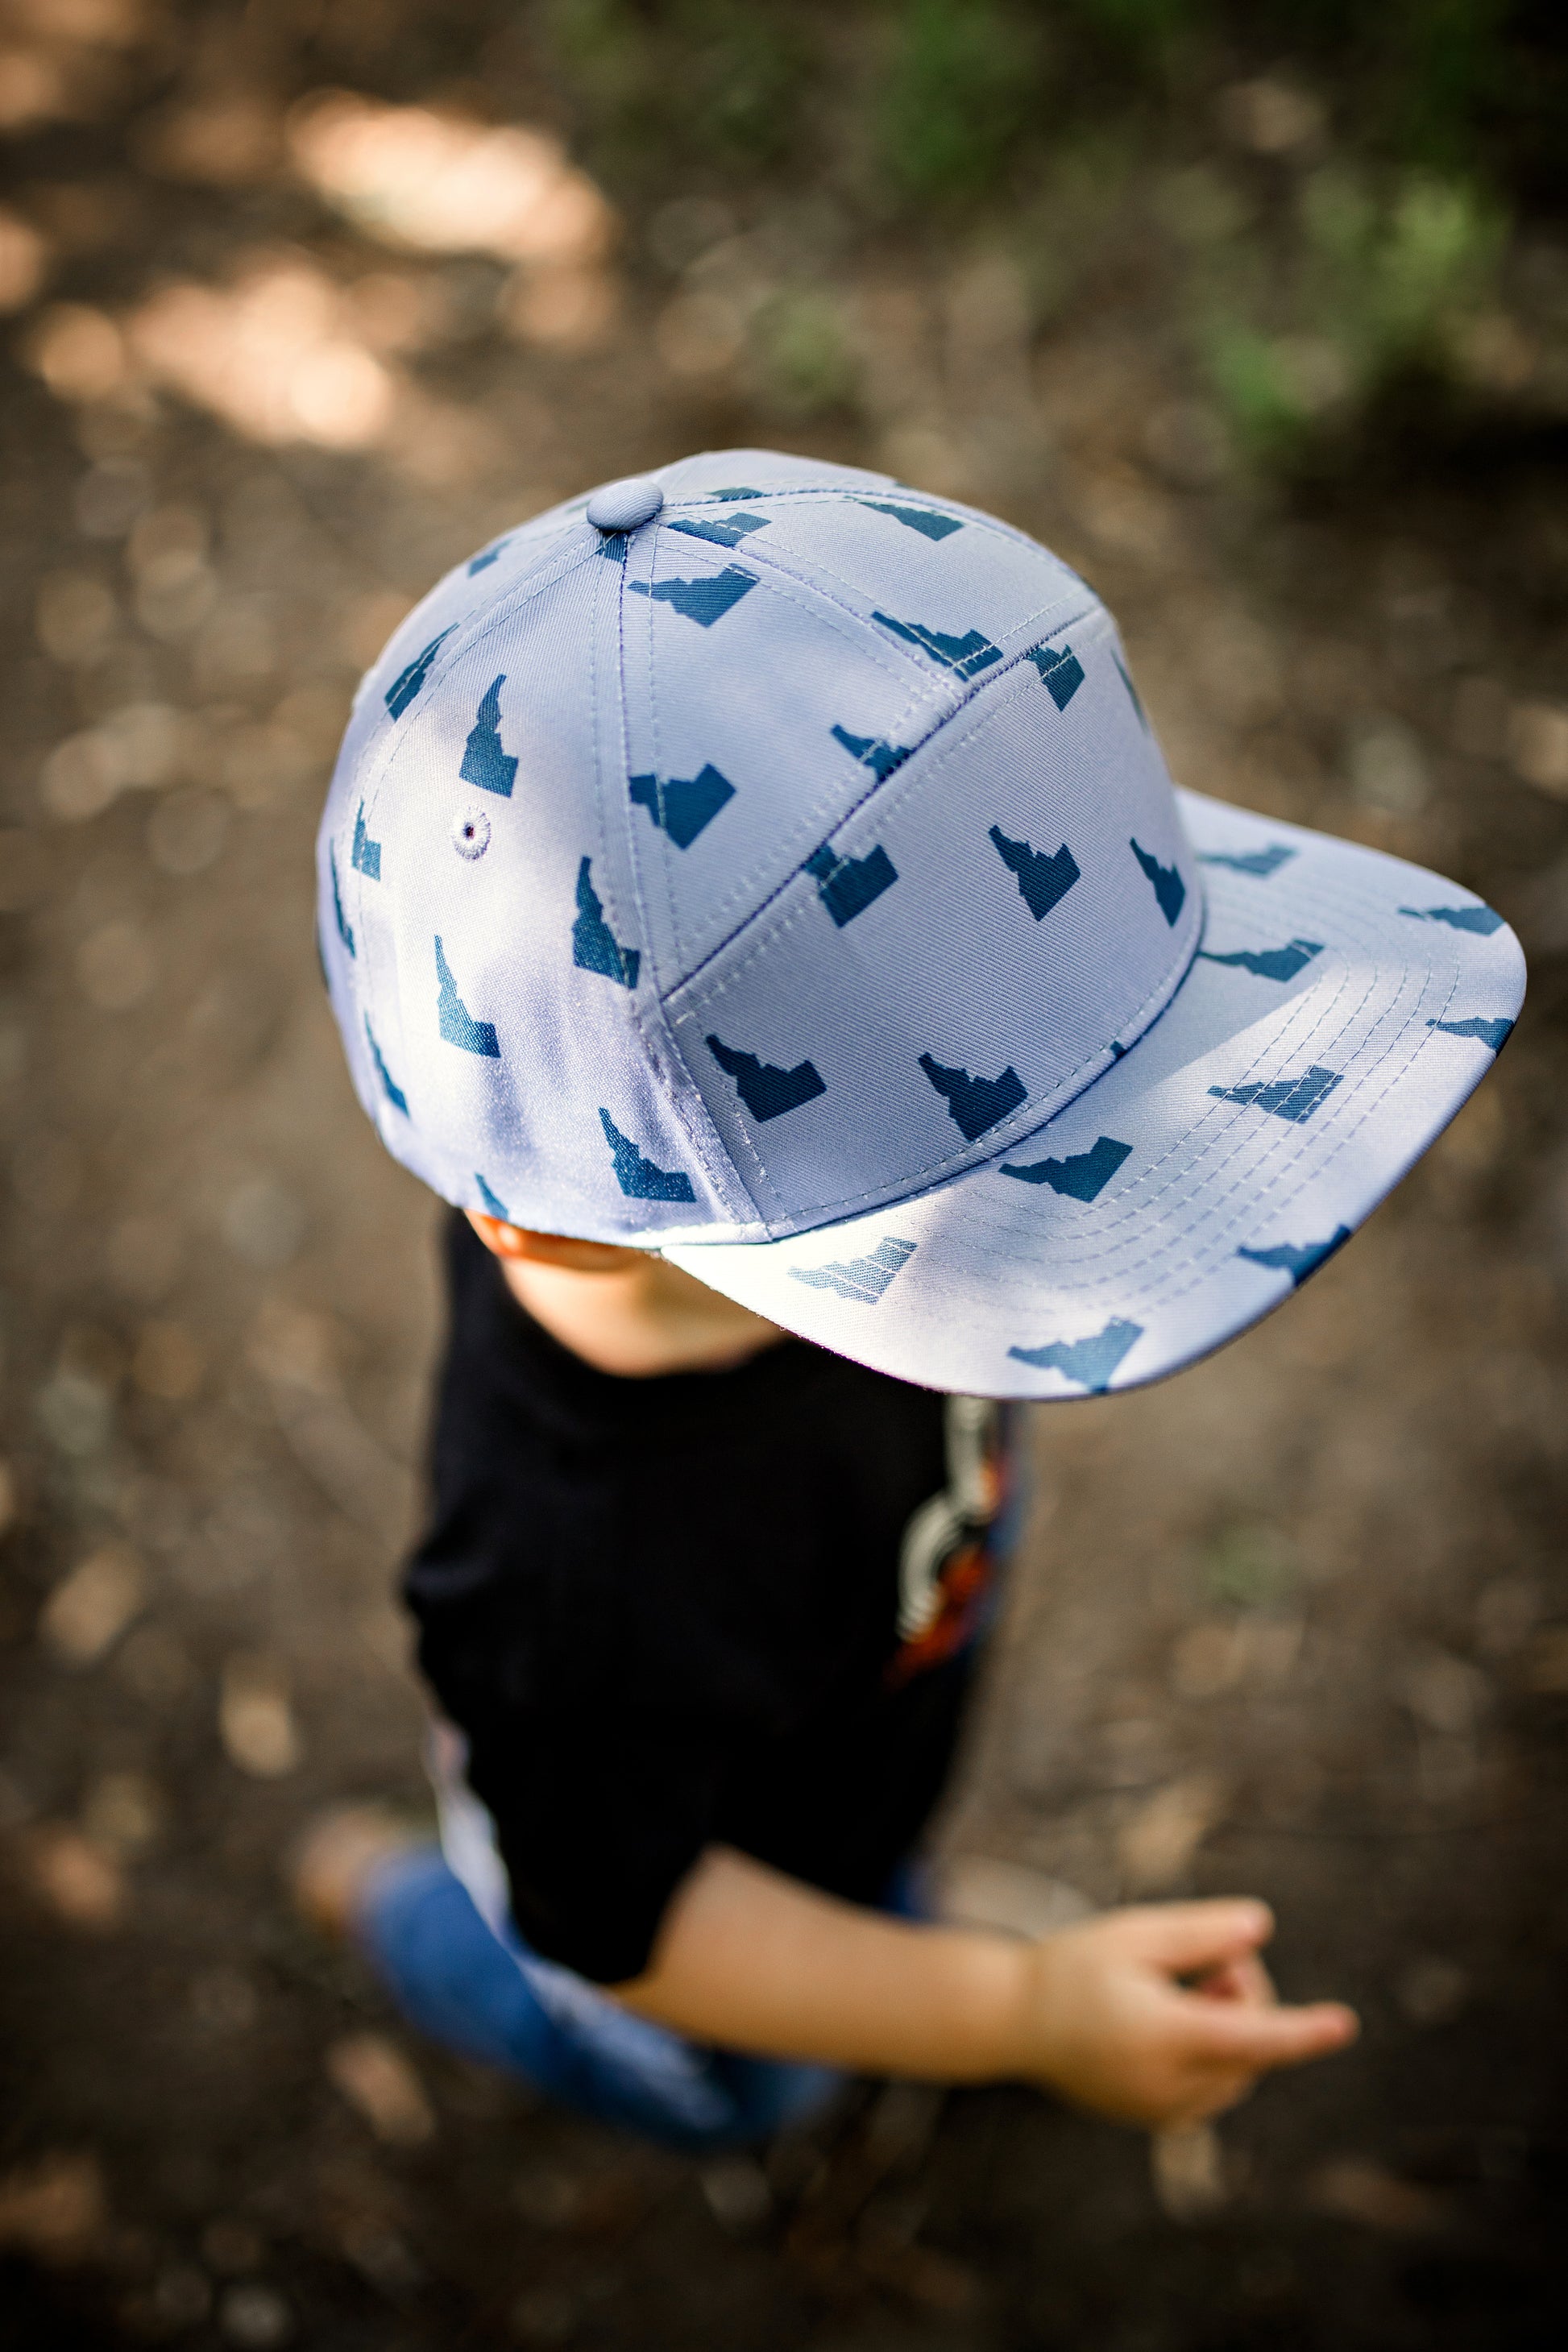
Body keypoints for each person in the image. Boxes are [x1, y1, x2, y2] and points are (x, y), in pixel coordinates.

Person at [301, 450, 1524, 2153]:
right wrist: (1011, 2010)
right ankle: (382, 1900)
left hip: (866, 1674)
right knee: (742, 2078)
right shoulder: (571, 1588)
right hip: (672, 1890)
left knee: (871, 1867)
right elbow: (629, 1919)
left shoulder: (647, 1198)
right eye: (982, 1200)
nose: (1051, 1242)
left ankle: (885, 1905)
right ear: (564, 1234)